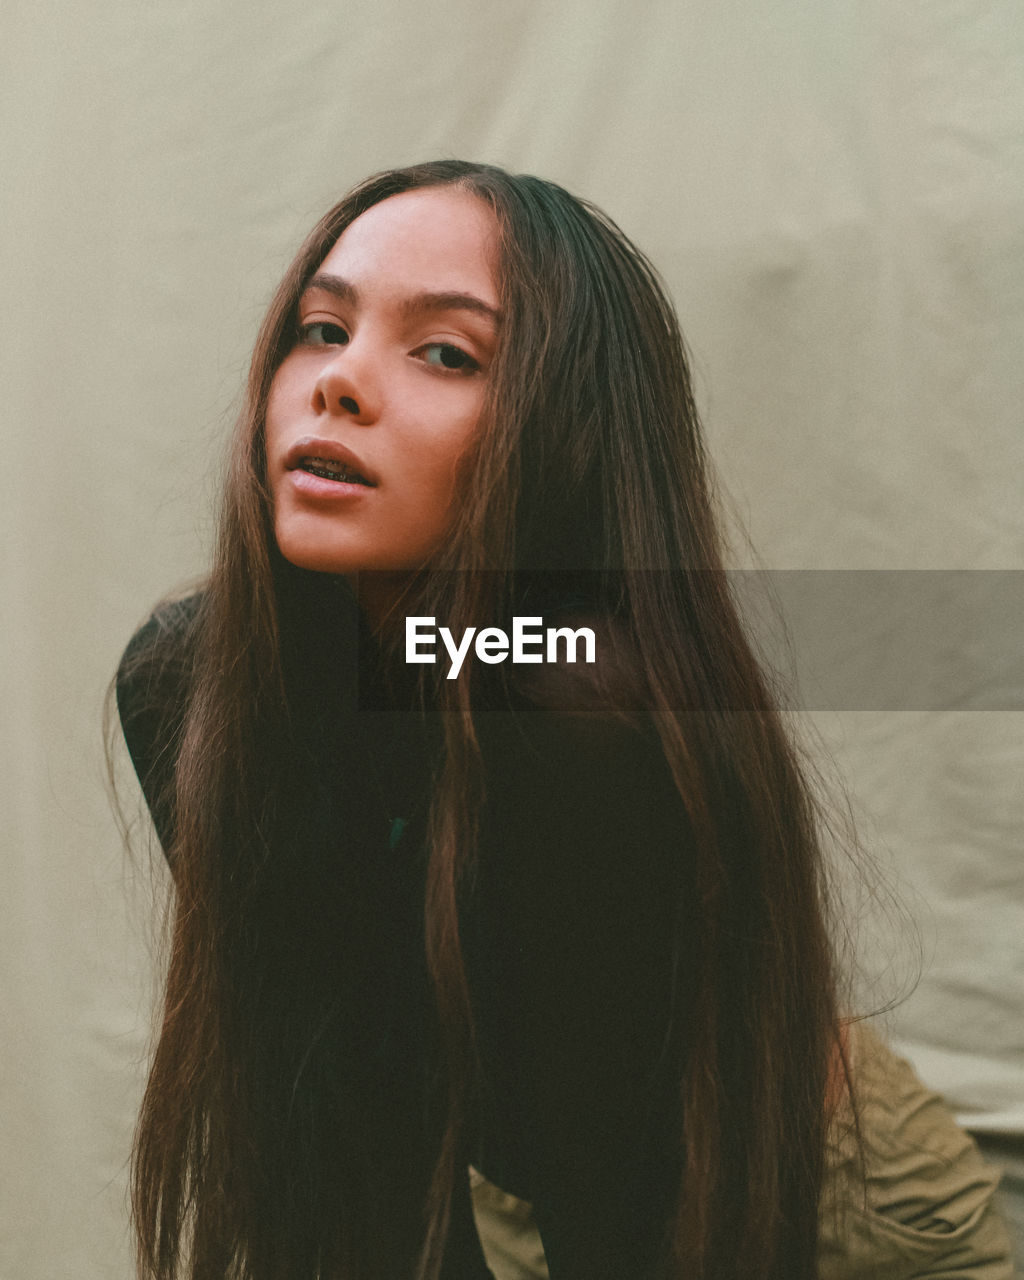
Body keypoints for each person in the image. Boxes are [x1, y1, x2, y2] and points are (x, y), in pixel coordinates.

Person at [115, 160, 1012, 1280]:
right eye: (320, 327)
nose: (339, 383)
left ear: (561, 427)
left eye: (446, 351)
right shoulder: (193, 681)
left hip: (807, 1189)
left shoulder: (577, 717)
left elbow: (640, 1201)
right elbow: (353, 1111)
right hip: (522, 1160)